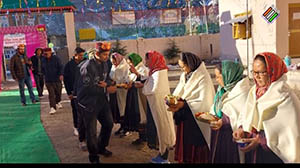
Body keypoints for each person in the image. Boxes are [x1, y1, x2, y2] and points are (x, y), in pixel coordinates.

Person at [233, 52, 300, 163]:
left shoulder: (285, 98)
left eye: (261, 72)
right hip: (254, 152)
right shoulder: (254, 92)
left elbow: (289, 136)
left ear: (273, 71)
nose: (256, 77)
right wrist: (241, 129)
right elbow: (246, 115)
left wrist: (261, 140)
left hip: (273, 156)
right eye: (254, 72)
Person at [168, 52, 215, 163]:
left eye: (183, 66)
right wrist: (174, 100)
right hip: (186, 116)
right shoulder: (185, 75)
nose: (182, 69)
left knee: (196, 145)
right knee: (186, 143)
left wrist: (183, 104)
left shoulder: (202, 77)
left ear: (191, 64)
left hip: (197, 120)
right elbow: (181, 91)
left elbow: (203, 101)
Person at [77, 42, 117, 163]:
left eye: (107, 54)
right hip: (88, 102)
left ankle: (101, 147)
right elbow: (87, 87)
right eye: (104, 54)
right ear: (97, 53)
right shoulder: (87, 66)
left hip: (101, 100)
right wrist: (106, 88)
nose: (106, 57)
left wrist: (111, 83)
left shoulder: (105, 64)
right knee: (91, 131)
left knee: (109, 124)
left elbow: (105, 79)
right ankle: (93, 156)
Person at [208, 60, 250, 163]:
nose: (217, 80)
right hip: (219, 135)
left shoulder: (242, 92)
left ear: (228, 75)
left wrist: (223, 121)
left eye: (219, 77)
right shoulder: (223, 90)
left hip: (230, 139)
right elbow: (216, 108)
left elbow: (242, 116)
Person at [142, 50, 176, 163]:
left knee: (163, 128)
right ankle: (162, 154)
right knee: (161, 128)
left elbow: (154, 89)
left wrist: (143, 87)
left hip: (160, 107)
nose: (146, 61)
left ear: (153, 59)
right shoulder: (156, 71)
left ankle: (164, 157)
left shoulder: (159, 72)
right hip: (157, 106)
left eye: (147, 59)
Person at [64, 47, 88, 150]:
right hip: (74, 92)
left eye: (83, 55)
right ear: (75, 55)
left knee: (84, 112)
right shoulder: (69, 65)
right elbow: (66, 79)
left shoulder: (85, 63)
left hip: (83, 92)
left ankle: (85, 132)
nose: (82, 57)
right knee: (75, 109)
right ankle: (76, 126)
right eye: (80, 55)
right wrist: (69, 92)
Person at [128, 53, 149, 145]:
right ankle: (142, 137)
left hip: (142, 97)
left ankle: (146, 137)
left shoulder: (143, 69)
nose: (130, 64)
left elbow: (145, 80)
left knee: (144, 115)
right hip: (136, 96)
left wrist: (135, 73)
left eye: (131, 62)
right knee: (140, 117)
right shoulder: (135, 69)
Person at [109, 52, 131, 136]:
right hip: (116, 91)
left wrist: (119, 83)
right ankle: (122, 127)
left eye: (115, 61)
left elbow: (127, 79)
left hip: (123, 92)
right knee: (118, 110)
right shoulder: (114, 67)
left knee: (124, 109)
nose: (113, 63)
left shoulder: (124, 67)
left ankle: (126, 128)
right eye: (112, 62)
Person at [42, 48, 64, 114]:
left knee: (58, 92)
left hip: (57, 79)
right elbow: (42, 68)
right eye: (45, 53)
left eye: (47, 53)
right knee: (51, 94)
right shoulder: (43, 60)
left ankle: (58, 101)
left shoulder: (56, 58)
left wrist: (61, 74)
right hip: (48, 80)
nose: (46, 54)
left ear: (50, 52)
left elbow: (61, 67)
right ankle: (52, 107)